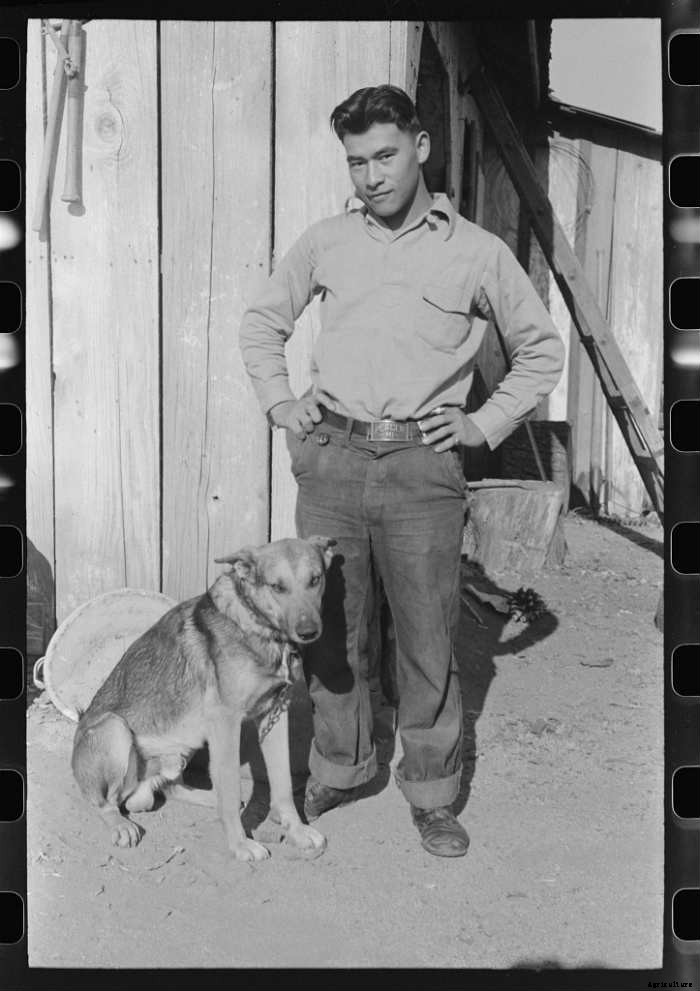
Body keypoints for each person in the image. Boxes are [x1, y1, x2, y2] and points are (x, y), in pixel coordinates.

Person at [239, 84, 564, 857]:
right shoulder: (326, 242)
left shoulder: (476, 250)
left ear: (420, 147)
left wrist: (482, 423)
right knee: (332, 634)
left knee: (425, 637)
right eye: (356, 162)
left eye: (384, 155)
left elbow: (542, 351)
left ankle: (431, 791)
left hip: (424, 465)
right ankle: (341, 764)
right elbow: (263, 323)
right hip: (335, 461)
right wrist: (285, 404)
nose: (371, 176)